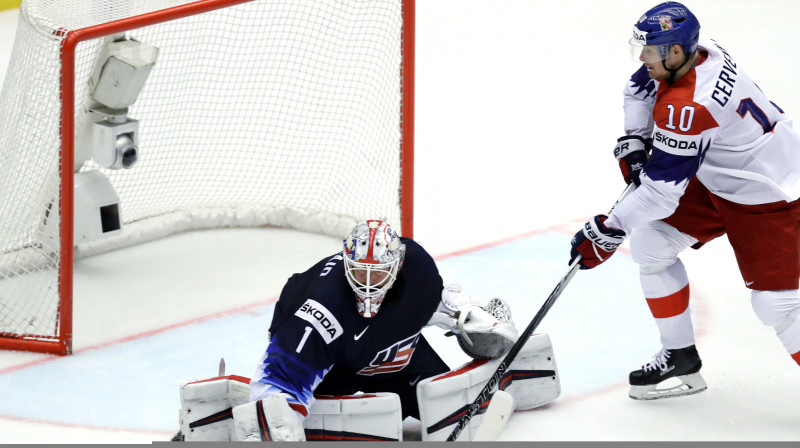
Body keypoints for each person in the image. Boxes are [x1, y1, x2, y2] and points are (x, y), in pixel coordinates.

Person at [569, 2, 800, 401]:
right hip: (720, 171)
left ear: (675, 52)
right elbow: (638, 87)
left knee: (776, 305)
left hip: (770, 191)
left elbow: (660, 193)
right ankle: (680, 356)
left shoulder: (688, 106)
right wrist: (636, 138)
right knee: (652, 245)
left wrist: (609, 229)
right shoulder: (697, 48)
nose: (643, 58)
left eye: (649, 49)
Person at [244, 219, 518, 439]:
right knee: (288, 414)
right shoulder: (321, 309)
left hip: (395, 357)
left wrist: (468, 317)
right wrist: (278, 418)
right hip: (335, 367)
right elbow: (278, 383)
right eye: (359, 271)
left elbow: (438, 300)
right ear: (346, 262)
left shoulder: (417, 270)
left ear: (397, 265)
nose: (367, 283)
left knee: (451, 412)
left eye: (376, 273)